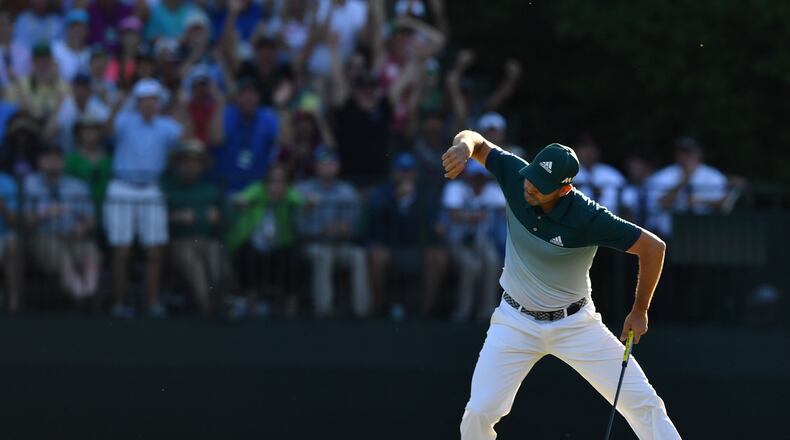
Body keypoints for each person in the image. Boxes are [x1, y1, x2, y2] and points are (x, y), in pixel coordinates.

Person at [442, 130, 680, 439]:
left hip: (576, 324)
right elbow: (476, 140)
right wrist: (463, 146)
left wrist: (640, 310)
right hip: (514, 321)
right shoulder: (516, 176)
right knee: (479, 412)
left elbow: (653, 248)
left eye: (541, 188)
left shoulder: (588, 217)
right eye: (531, 178)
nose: (530, 188)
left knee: (643, 403)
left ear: (564, 189)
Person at [105, 78, 183, 319]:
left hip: (151, 188)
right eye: (144, 100)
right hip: (122, 186)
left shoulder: (167, 125)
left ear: (159, 103)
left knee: (154, 251)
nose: (149, 104)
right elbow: (106, 133)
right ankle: (119, 303)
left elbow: (185, 139)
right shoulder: (125, 121)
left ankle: (152, 303)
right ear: (137, 102)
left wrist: (181, 106)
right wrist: (117, 106)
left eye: (154, 100)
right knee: (121, 251)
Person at [367, 152, 446, 318]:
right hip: (389, 246)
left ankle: (426, 310)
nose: (405, 175)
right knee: (376, 255)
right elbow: (373, 218)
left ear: (415, 173)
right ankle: (377, 306)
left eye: (409, 171)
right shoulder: (383, 192)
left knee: (438, 256)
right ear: (394, 173)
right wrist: (395, 199)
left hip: (417, 247)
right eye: (402, 171)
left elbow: (434, 223)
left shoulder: (425, 194)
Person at [296, 147, 369, 318]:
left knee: (359, 255)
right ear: (315, 166)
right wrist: (322, 230)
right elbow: (298, 227)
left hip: (340, 245)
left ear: (338, 166)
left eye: (331, 162)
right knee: (323, 255)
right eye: (323, 162)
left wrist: (344, 229)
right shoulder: (302, 190)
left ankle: (362, 311)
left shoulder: (347, 191)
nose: (327, 166)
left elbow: (355, 227)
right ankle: (324, 311)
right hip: (312, 245)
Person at [24, 146, 100, 302]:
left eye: (57, 158)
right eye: (48, 157)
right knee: (62, 258)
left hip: (73, 236)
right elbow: (24, 222)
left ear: (63, 162)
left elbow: (91, 219)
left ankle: (88, 293)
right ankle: (80, 296)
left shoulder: (77, 186)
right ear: (39, 162)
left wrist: (82, 228)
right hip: (43, 237)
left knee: (92, 254)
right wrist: (44, 213)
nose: (53, 161)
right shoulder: (28, 184)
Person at [227, 166, 304, 318]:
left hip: (280, 247)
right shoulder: (257, 190)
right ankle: (251, 311)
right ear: (266, 182)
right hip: (253, 246)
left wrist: (309, 202)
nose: (276, 185)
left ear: (286, 184)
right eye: (273, 181)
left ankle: (291, 313)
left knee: (294, 260)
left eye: (281, 181)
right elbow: (242, 198)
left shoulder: (288, 195)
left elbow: (302, 201)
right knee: (248, 257)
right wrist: (241, 200)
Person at [163, 139, 224, 315]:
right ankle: (207, 310)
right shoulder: (168, 187)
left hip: (208, 240)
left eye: (195, 162)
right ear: (178, 164)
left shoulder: (211, 189)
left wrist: (196, 216)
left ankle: (220, 305)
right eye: (186, 161)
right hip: (179, 242)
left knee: (217, 263)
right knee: (195, 266)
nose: (190, 166)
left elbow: (225, 217)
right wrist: (177, 217)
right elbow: (157, 217)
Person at [440, 160, 505, 321]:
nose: (478, 180)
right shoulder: (455, 188)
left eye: (481, 176)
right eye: (475, 176)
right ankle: (464, 311)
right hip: (459, 241)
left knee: (492, 261)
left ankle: (487, 311)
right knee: (472, 265)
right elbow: (452, 214)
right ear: (468, 176)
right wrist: (471, 217)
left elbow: (507, 211)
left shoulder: (492, 190)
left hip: (483, 241)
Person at [647, 136, 728, 238]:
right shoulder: (663, 176)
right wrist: (684, 180)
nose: (686, 157)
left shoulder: (712, 175)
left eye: (690, 153)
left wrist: (700, 201)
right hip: (669, 236)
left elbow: (724, 204)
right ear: (676, 155)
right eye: (682, 153)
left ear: (699, 154)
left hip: (704, 233)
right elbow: (661, 204)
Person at [210, 78, 279, 193]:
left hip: (256, 193)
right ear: (237, 97)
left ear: (259, 97)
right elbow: (214, 140)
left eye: (253, 93)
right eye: (244, 93)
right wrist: (221, 103)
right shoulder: (226, 113)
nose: (248, 97)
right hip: (225, 190)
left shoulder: (267, 117)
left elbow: (285, 142)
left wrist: (281, 106)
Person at [572, 132, 626, 215]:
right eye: (584, 148)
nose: (588, 152)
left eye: (592, 148)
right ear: (575, 151)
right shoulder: (567, 172)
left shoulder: (611, 174)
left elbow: (627, 205)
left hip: (609, 221)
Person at [52, 9, 91, 81]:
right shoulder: (55, 49)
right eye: (73, 27)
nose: (77, 30)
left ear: (87, 30)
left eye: (81, 27)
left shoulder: (90, 53)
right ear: (67, 29)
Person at [0, 170, 20, 312]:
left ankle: (14, 300)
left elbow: (13, 220)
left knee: (11, 245)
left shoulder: (7, 183)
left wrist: (2, 206)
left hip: (4, 234)